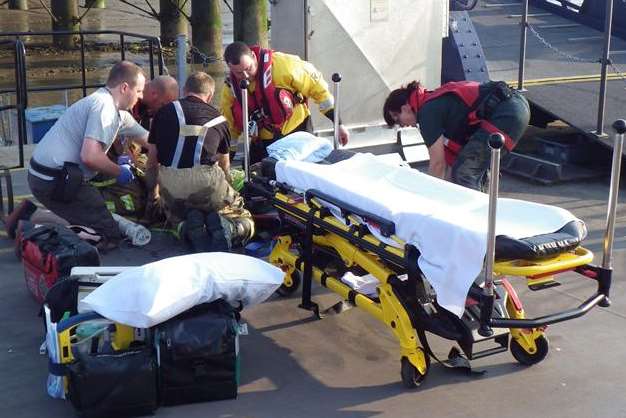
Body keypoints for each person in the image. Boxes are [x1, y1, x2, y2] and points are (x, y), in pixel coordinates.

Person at [21, 61, 151, 250]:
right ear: (124, 88)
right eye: (139, 91)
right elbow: (90, 156)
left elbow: (149, 139)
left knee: (91, 217)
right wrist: (119, 172)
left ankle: (30, 213)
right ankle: (31, 226)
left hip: (49, 174)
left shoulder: (117, 112)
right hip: (54, 179)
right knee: (107, 236)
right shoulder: (104, 107)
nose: (141, 97)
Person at [148, 72, 253, 251]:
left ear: (184, 90)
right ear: (210, 95)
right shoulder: (220, 120)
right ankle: (231, 227)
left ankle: (185, 227)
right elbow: (224, 165)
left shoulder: (163, 113)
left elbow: (152, 162)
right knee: (244, 217)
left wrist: (154, 196)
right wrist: (227, 193)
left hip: (173, 183)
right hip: (207, 184)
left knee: (172, 214)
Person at [383, 80, 530, 191]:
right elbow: (447, 168)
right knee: (470, 169)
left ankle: (473, 222)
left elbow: (437, 165)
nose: (401, 125)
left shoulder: (426, 113)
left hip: (507, 113)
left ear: (405, 108)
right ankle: (484, 215)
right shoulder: (432, 102)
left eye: (397, 118)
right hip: (513, 107)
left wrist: (426, 197)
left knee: (465, 172)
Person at [220, 41, 350, 164]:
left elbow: (318, 89)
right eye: (238, 73)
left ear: (253, 56)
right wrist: (226, 160)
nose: (245, 75)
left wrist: (338, 123)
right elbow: (230, 126)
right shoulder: (231, 90)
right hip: (265, 141)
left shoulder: (284, 65)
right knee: (256, 176)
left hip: (297, 131)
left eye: (248, 68)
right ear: (230, 69)